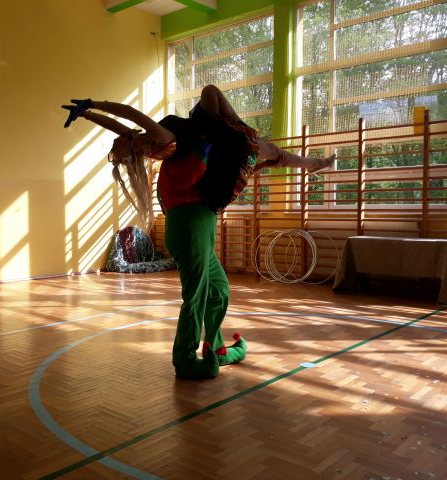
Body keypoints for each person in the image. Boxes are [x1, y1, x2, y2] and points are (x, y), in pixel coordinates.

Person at [62, 85, 334, 379]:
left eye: (124, 140)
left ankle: (215, 348)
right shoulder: (164, 142)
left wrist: (89, 111)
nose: (125, 139)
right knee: (197, 296)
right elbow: (131, 114)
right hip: (189, 228)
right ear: (136, 150)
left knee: (218, 291)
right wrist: (93, 104)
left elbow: (123, 124)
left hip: (200, 226)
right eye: (125, 143)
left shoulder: (160, 143)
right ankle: (185, 358)